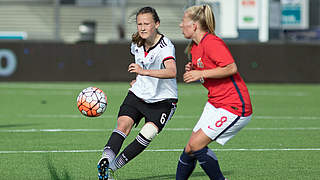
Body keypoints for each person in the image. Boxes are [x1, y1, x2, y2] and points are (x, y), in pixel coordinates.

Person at [97, 6, 178, 180]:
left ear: (156, 24)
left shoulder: (165, 46)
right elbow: (142, 67)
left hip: (163, 100)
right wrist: (139, 79)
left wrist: (143, 73)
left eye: (146, 23)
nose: (142, 27)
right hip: (138, 94)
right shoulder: (136, 43)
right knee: (122, 127)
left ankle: (112, 167)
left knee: (147, 134)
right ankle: (105, 161)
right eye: (139, 23)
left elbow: (172, 71)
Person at [176, 4, 253, 180]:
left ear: (194, 25)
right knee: (190, 148)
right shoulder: (195, 47)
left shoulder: (212, 42)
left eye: (183, 21)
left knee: (196, 145)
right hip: (215, 103)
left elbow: (231, 67)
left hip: (234, 106)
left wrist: (200, 72)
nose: (181, 25)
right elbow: (207, 67)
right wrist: (194, 68)